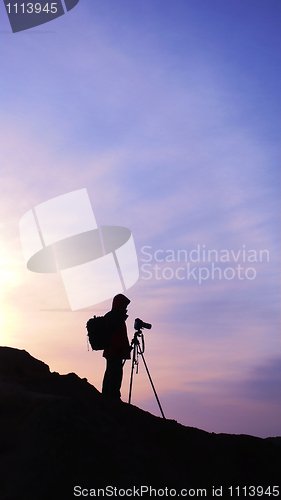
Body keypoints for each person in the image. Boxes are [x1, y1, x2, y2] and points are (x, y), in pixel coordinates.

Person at [102, 294, 131, 400]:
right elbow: (115, 336)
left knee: (111, 372)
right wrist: (119, 348)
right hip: (114, 351)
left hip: (113, 351)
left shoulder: (115, 317)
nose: (125, 308)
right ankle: (113, 397)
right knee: (115, 374)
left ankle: (108, 395)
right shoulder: (115, 318)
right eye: (124, 305)